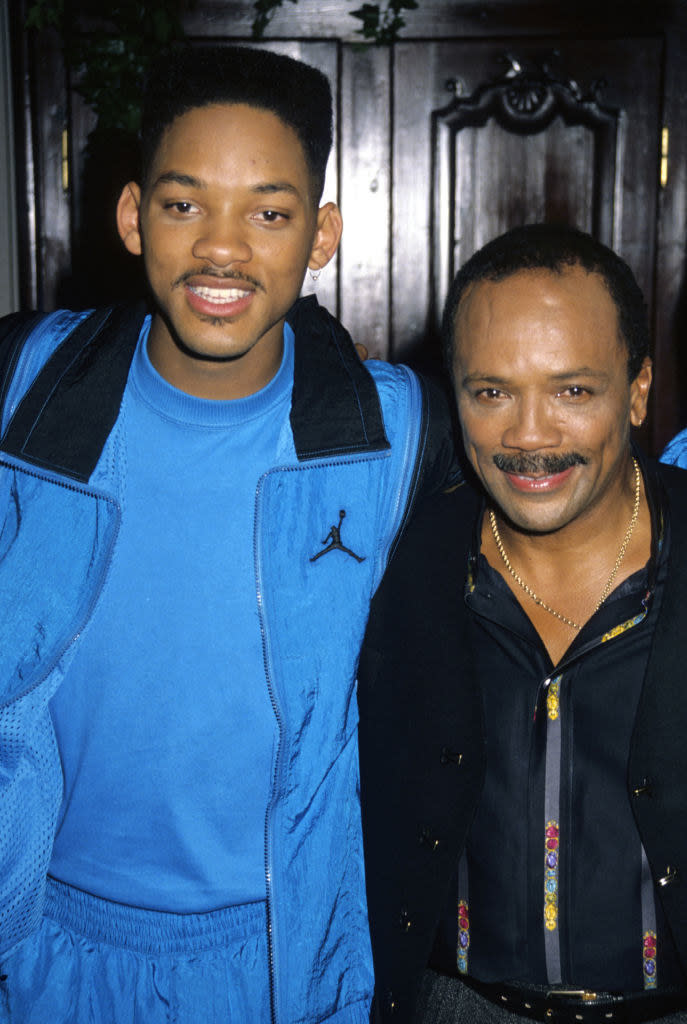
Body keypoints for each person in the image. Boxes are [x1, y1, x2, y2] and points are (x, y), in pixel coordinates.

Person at [0, 46, 453, 1023]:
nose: (222, 247)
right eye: (183, 204)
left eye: (270, 212)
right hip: (46, 946)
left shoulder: (395, 435)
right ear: (130, 215)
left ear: (321, 234)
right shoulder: (26, 389)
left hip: (278, 961)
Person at [358, 223, 687, 1024]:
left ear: (636, 390)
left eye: (572, 390)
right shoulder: (393, 567)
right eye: (491, 391)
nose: (528, 436)